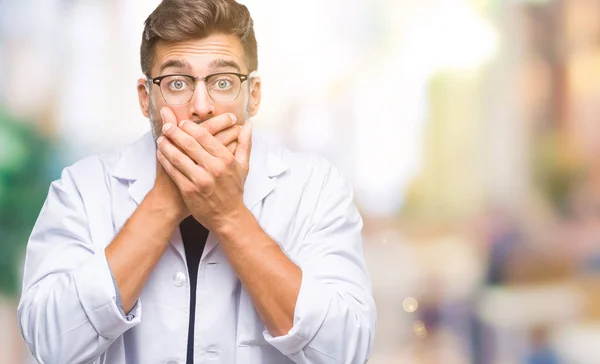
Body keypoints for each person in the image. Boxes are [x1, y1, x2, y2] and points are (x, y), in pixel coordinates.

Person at [17, 0, 376, 363]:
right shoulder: (82, 189)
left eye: (223, 82)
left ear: (253, 95)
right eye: (177, 82)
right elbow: (50, 345)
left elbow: (345, 351)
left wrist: (230, 216)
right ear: (147, 99)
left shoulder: (316, 188)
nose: (201, 106)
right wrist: (164, 204)